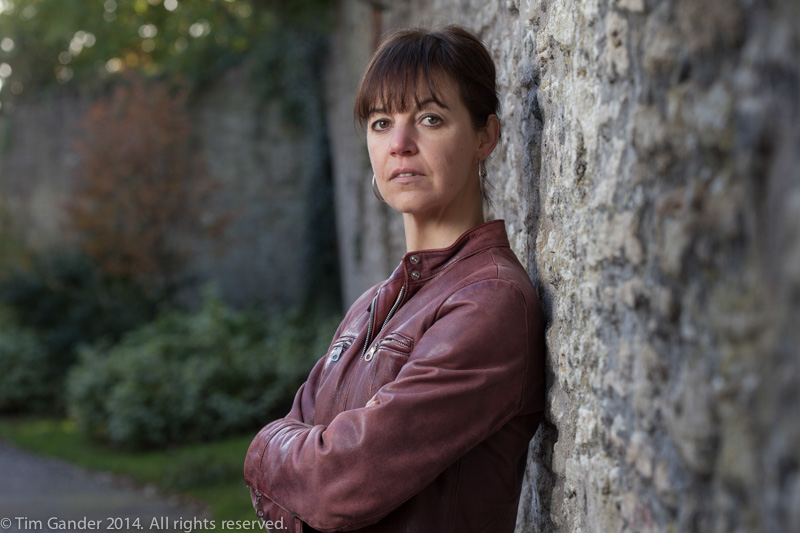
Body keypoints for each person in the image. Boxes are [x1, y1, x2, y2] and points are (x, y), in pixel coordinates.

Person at [244, 25, 545, 533]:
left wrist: (261, 451)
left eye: (430, 118)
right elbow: (311, 476)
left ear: (485, 137)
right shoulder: (368, 306)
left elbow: (336, 483)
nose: (400, 144)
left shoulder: (490, 302)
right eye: (382, 123)